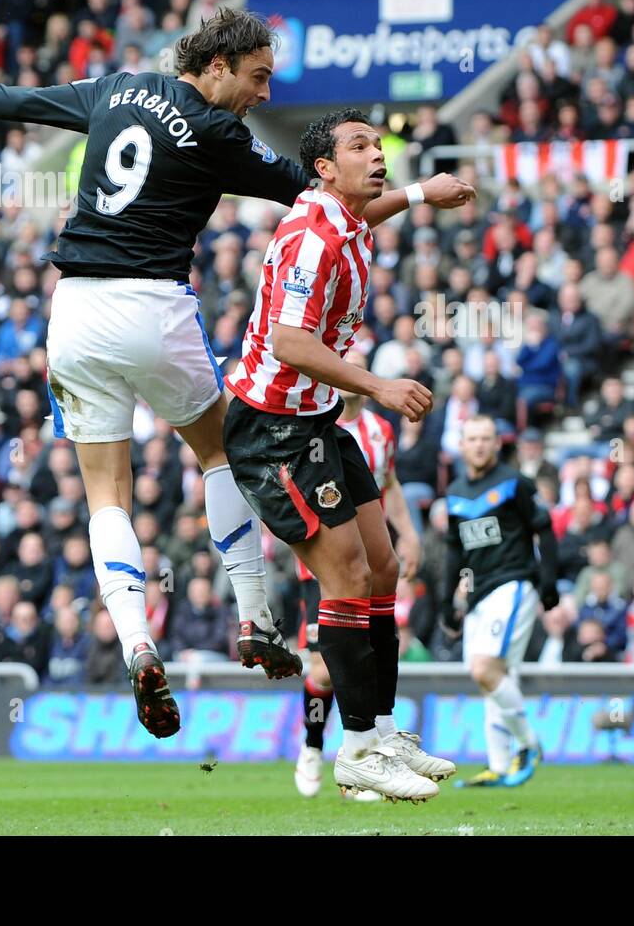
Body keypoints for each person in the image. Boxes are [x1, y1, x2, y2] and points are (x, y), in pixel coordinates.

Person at [0, 9, 471, 740]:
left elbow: (23, 99)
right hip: (152, 303)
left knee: (104, 495)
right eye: (258, 77)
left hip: (73, 313)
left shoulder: (115, 88)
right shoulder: (218, 132)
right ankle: (254, 614)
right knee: (221, 449)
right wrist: (423, 193)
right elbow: (337, 203)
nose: (262, 95)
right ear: (218, 65)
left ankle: (138, 642)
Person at [224, 108, 465, 803]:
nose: (377, 154)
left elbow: (372, 213)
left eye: (379, 144)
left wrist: (423, 193)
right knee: (348, 574)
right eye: (359, 146)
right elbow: (291, 341)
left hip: (315, 418)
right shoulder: (310, 235)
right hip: (273, 431)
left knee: (384, 564)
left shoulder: (345, 216)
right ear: (326, 168)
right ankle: (356, 749)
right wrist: (379, 385)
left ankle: (383, 732)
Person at [293, 350, 423, 801]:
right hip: (324, 564)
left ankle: (367, 752)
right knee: (323, 670)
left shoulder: (380, 431)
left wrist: (409, 534)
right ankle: (312, 746)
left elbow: (387, 485)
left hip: (370, 563)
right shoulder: (315, 427)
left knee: (365, 651)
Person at [442, 415, 560, 788]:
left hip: (512, 584)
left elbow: (544, 528)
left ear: (497, 444)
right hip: (477, 595)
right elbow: (452, 551)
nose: (478, 445)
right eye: (472, 438)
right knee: (491, 679)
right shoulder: (456, 492)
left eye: (486, 438)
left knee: (484, 668)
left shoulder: (515, 483)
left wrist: (549, 581)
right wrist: (449, 604)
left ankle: (529, 743)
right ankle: (499, 763)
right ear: (462, 445)